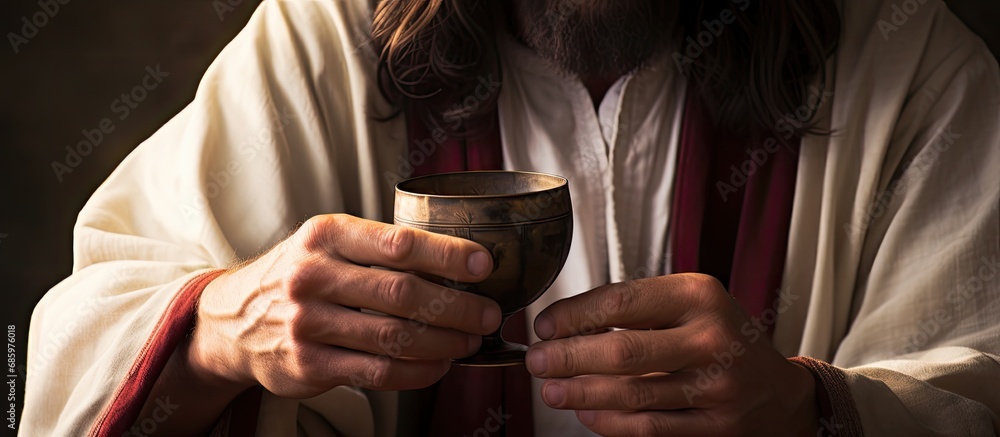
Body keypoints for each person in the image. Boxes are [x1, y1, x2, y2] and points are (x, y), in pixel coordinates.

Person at [22, 0, 1000, 435]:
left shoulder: (903, 53)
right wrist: (221, 328)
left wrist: (806, 409)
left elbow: (980, 375)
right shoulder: (321, 38)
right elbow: (97, 323)